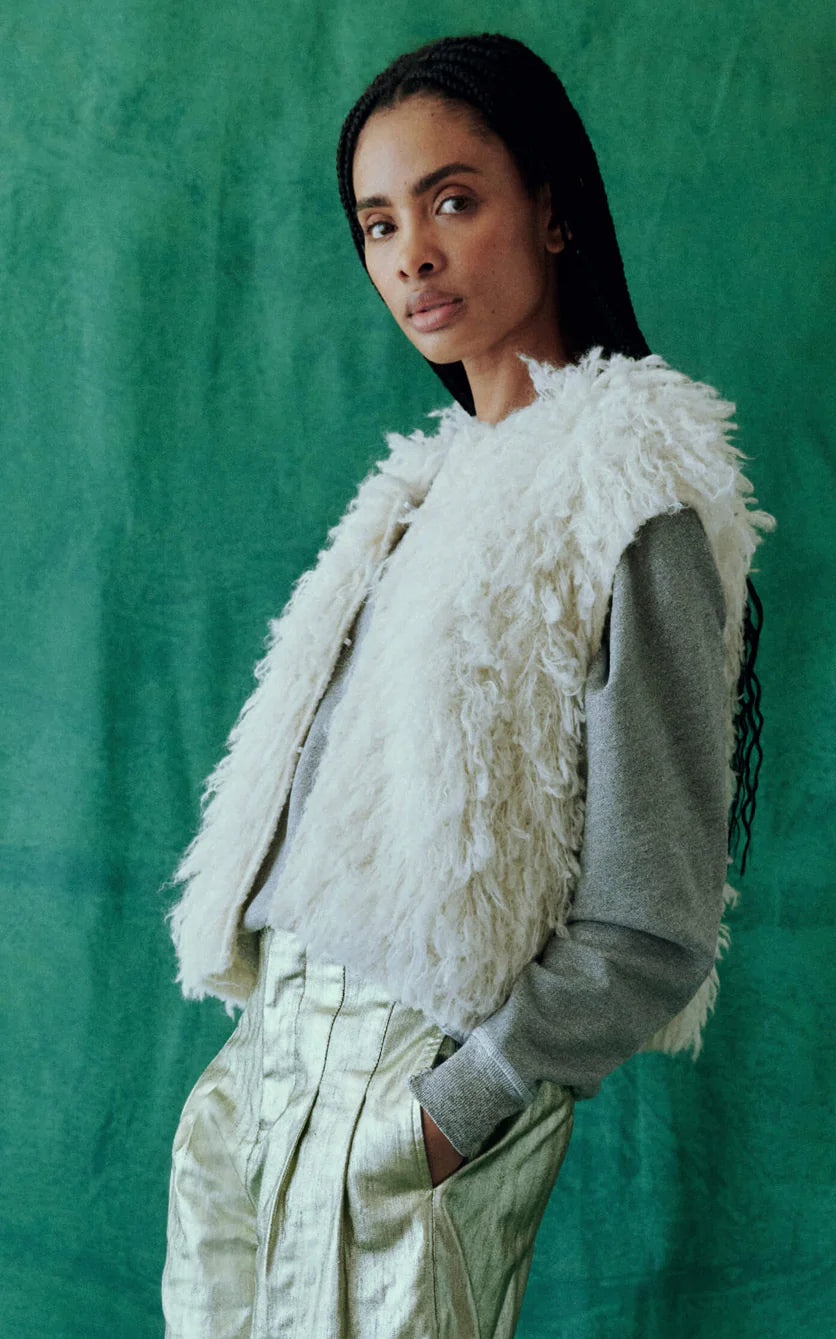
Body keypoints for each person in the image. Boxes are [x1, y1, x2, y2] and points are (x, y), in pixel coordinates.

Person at [161, 31, 776, 1339]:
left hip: (416, 1085)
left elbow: (655, 926)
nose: (412, 256)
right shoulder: (418, 492)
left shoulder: (635, 487)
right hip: (272, 1073)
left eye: (452, 199)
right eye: (379, 223)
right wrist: (250, 1070)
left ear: (552, 210)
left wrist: (451, 1117)